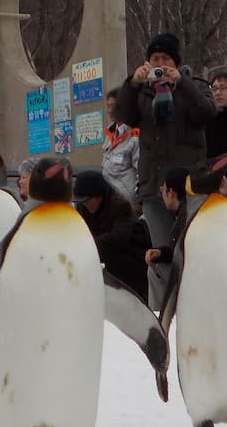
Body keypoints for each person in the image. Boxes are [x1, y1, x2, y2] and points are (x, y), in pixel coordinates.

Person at [114, 32, 217, 250]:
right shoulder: (142, 91)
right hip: (153, 186)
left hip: (187, 185)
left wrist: (183, 83)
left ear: (176, 62)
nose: (160, 64)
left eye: (166, 59)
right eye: (155, 59)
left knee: (191, 247)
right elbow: (122, 114)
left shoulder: (195, 87)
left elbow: (207, 113)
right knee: (162, 252)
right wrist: (132, 83)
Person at [74, 169, 150, 300]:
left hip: (128, 259)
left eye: (87, 200)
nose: (85, 204)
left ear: (98, 195)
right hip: (100, 255)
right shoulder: (82, 208)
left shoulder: (120, 206)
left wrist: (88, 246)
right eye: (82, 201)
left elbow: (119, 237)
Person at [144, 166, 191, 270]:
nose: (162, 194)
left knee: (157, 270)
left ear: (171, 193)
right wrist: (161, 253)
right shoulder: (190, 210)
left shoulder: (187, 217)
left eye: (163, 190)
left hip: (192, 273)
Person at [101, 89, 139, 206]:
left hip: (129, 202)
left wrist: (139, 200)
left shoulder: (134, 133)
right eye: (108, 106)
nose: (110, 110)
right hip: (111, 201)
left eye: (113, 106)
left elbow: (141, 167)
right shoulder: (110, 133)